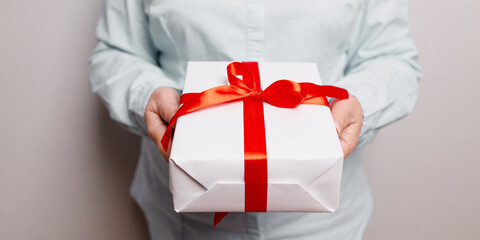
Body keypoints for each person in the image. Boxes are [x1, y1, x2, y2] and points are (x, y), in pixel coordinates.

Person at [88, 0, 421, 239]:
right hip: (184, 218)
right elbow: (117, 52)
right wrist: (147, 94)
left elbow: (392, 57)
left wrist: (358, 104)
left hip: (323, 222)